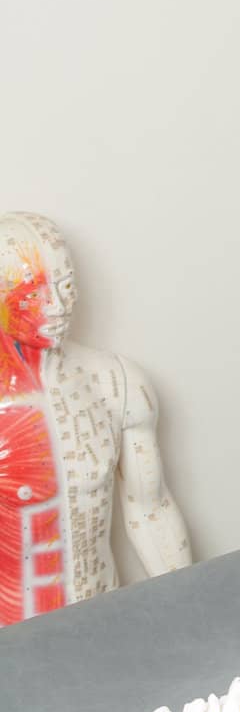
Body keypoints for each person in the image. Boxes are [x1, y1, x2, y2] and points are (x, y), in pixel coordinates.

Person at [0, 211, 191, 622]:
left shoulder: (116, 382)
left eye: (66, 286)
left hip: (102, 624)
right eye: (33, 294)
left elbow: (151, 509)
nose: (58, 306)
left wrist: (189, 614)